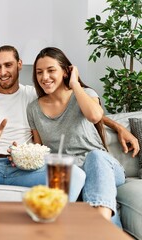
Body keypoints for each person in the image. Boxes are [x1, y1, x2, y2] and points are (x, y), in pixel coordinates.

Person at [26, 47, 140, 226]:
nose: (44, 77)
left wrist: (75, 84)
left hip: (103, 168)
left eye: (51, 70)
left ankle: (99, 225)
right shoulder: (33, 109)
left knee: (95, 157)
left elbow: (95, 116)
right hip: (71, 174)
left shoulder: (85, 95)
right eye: (39, 72)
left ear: (65, 71)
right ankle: (104, 228)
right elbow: (40, 150)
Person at [0, 45, 86, 201]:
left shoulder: (35, 95)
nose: (2, 72)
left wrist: (118, 127)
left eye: (8, 65)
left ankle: (56, 219)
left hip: (25, 170)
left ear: (19, 65)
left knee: (75, 174)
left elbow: (76, 105)